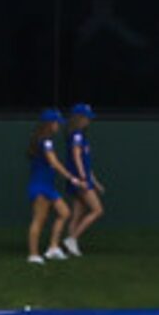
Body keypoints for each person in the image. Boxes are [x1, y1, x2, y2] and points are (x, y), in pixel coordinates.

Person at [25, 109, 80, 264]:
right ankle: (33, 255)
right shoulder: (46, 141)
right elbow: (54, 163)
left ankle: (53, 248)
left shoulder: (45, 140)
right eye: (57, 123)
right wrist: (71, 178)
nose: (58, 126)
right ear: (50, 124)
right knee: (39, 220)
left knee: (64, 212)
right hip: (40, 186)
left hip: (48, 186)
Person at [61, 103, 105, 258]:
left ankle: (70, 249)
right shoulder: (77, 135)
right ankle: (72, 239)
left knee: (77, 214)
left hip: (82, 178)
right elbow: (76, 156)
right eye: (87, 118)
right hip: (81, 180)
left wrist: (95, 181)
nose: (89, 121)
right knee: (97, 210)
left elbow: (86, 162)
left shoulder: (79, 135)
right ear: (79, 118)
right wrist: (83, 178)